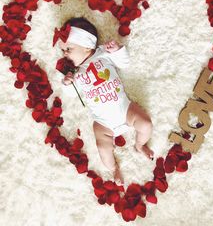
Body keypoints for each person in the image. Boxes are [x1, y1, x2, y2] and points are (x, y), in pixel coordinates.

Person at [57, 17, 154, 185]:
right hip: (103, 124)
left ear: (87, 46)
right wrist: (67, 83)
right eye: (63, 50)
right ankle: (114, 168)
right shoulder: (76, 74)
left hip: (125, 110)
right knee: (103, 149)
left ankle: (140, 145)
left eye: (68, 49)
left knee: (146, 124)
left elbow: (124, 63)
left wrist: (117, 51)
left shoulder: (102, 53)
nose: (65, 54)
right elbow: (73, 94)